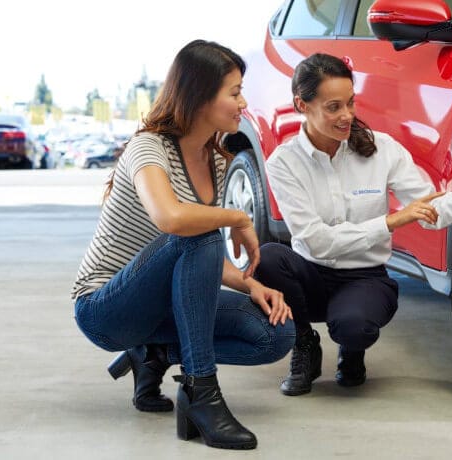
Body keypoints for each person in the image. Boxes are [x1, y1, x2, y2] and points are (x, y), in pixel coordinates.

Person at [256, 53, 452, 396]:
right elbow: (316, 242)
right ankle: (304, 344)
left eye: (350, 104)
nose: (347, 116)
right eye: (333, 107)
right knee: (267, 258)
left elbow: (431, 209)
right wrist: (390, 221)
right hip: (310, 275)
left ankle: (352, 352)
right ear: (302, 104)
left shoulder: (382, 150)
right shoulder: (283, 163)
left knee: (354, 327)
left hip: (363, 277)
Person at [71, 40, 295, 450]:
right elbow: (172, 220)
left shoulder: (219, 161)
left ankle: (153, 354)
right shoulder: (148, 148)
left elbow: (197, 256)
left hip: (160, 306)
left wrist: (252, 285)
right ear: (199, 96)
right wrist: (238, 217)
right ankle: (201, 392)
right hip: (106, 308)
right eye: (234, 92)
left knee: (274, 333)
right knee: (200, 228)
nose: (243, 102)